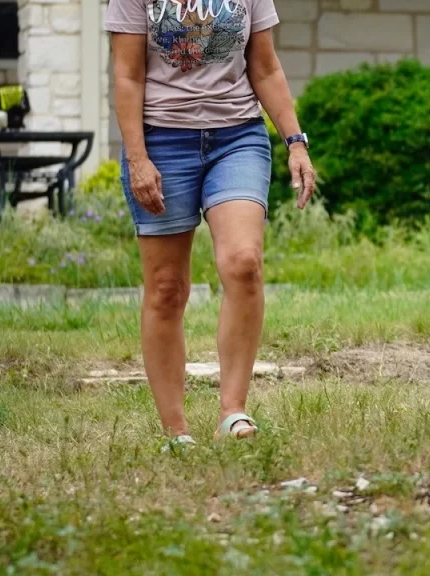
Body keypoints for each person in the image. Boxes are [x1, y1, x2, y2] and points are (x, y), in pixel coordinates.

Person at [104, 0, 316, 451]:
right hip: (161, 139)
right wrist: (138, 159)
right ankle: (176, 430)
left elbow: (265, 67)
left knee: (243, 263)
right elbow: (127, 75)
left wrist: (295, 143)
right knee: (166, 288)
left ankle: (232, 410)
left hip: (237, 135)